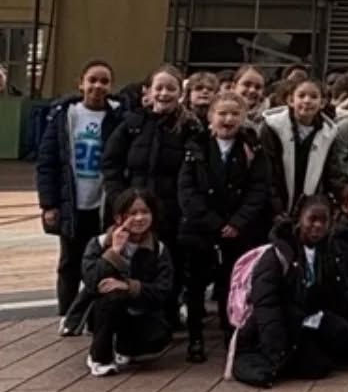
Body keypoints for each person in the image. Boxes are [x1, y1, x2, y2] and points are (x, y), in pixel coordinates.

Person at [229, 197, 348, 388]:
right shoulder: (276, 256)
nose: (317, 226)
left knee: (341, 333)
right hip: (280, 321)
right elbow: (267, 306)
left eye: (323, 220)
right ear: (300, 219)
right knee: (316, 367)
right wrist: (275, 350)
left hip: (307, 316)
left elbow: (347, 291)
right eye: (312, 219)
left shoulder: (331, 251)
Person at [177, 92, 274, 361]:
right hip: (199, 230)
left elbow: (259, 189)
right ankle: (195, 339)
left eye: (234, 114)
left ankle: (231, 333)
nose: (228, 119)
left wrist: (237, 223)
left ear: (243, 117)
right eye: (222, 113)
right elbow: (187, 191)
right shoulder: (194, 148)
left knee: (231, 284)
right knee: (195, 286)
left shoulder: (252, 149)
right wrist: (214, 223)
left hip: (239, 230)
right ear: (211, 118)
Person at [36, 58, 124, 324]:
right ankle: (67, 314)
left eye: (104, 81)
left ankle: (95, 316)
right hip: (71, 202)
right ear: (81, 83)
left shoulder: (119, 117)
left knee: (102, 261)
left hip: (103, 204)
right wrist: (49, 204)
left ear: (111, 86)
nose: (98, 86)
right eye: (92, 80)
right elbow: (47, 162)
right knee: (69, 262)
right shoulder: (65, 116)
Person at [101, 64, 200, 266]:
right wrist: (120, 199)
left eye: (171, 89)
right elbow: (111, 163)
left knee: (170, 270)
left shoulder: (191, 129)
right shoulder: (132, 124)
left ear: (181, 93)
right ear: (148, 91)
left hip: (173, 216)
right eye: (159, 88)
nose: (164, 93)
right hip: (133, 213)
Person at [80, 188, 174, 377]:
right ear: (118, 217)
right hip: (100, 310)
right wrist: (113, 252)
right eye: (132, 213)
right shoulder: (99, 243)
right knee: (112, 295)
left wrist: (129, 286)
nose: (139, 218)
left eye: (145, 212)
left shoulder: (159, 248)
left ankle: (125, 347)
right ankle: (99, 356)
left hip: (139, 310)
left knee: (158, 336)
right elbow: (91, 281)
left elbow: (163, 290)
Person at [259, 78, 337, 219]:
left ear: (323, 103)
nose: (307, 101)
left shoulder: (329, 133)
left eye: (314, 96)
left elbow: (327, 174)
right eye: (301, 96)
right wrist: (277, 207)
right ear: (290, 100)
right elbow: (269, 170)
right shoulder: (272, 127)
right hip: (273, 204)